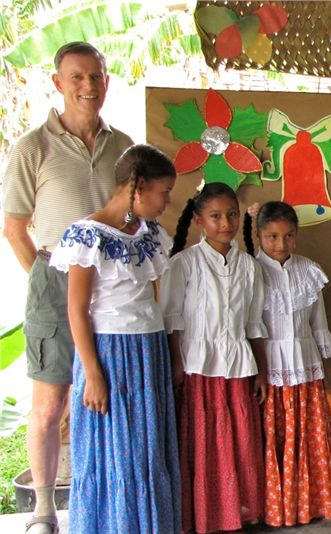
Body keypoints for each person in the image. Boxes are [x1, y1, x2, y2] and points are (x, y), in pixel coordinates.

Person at [1, 41, 133, 534]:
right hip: (55, 283)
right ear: (57, 83)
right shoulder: (33, 147)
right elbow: (15, 228)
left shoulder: (123, 147)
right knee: (50, 402)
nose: (88, 85)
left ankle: (99, 502)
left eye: (96, 76)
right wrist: (46, 278)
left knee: (103, 395)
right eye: (77, 77)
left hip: (115, 287)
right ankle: (42, 509)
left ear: (106, 81)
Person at [48, 145, 181, 533]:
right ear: (137, 188)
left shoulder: (151, 234)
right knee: (117, 453)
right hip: (110, 354)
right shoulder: (86, 236)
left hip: (149, 350)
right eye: (163, 192)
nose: (167, 201)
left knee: (147, 450)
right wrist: (91, 373)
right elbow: (76, 309)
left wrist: (168, 354)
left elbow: (158, 298)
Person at [160, 183, 269, 533]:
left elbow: (255, 324)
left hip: (238, 367)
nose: (226, 223)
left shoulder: (250, 268)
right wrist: (178, 365)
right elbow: (173, 320)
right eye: (216, 216)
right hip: (197, 368)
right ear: (198, 220)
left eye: (232, 214)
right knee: (204, 445)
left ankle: (239, 513)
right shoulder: (184, 264)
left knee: (240, 441)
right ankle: (204, 517)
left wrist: (261, 371)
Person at [243, 201, 331, 526]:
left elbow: (317, 322)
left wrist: (320, 352)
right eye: (272, 236)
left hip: (305, 368)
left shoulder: (309, 270)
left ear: (297, 236)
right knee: (273, 441)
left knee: (306, 437)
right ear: (259, 236)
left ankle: (307, 505)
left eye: (288, 236)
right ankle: (273, 509)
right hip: (268, 370)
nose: (280, 244)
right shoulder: (250, 272)